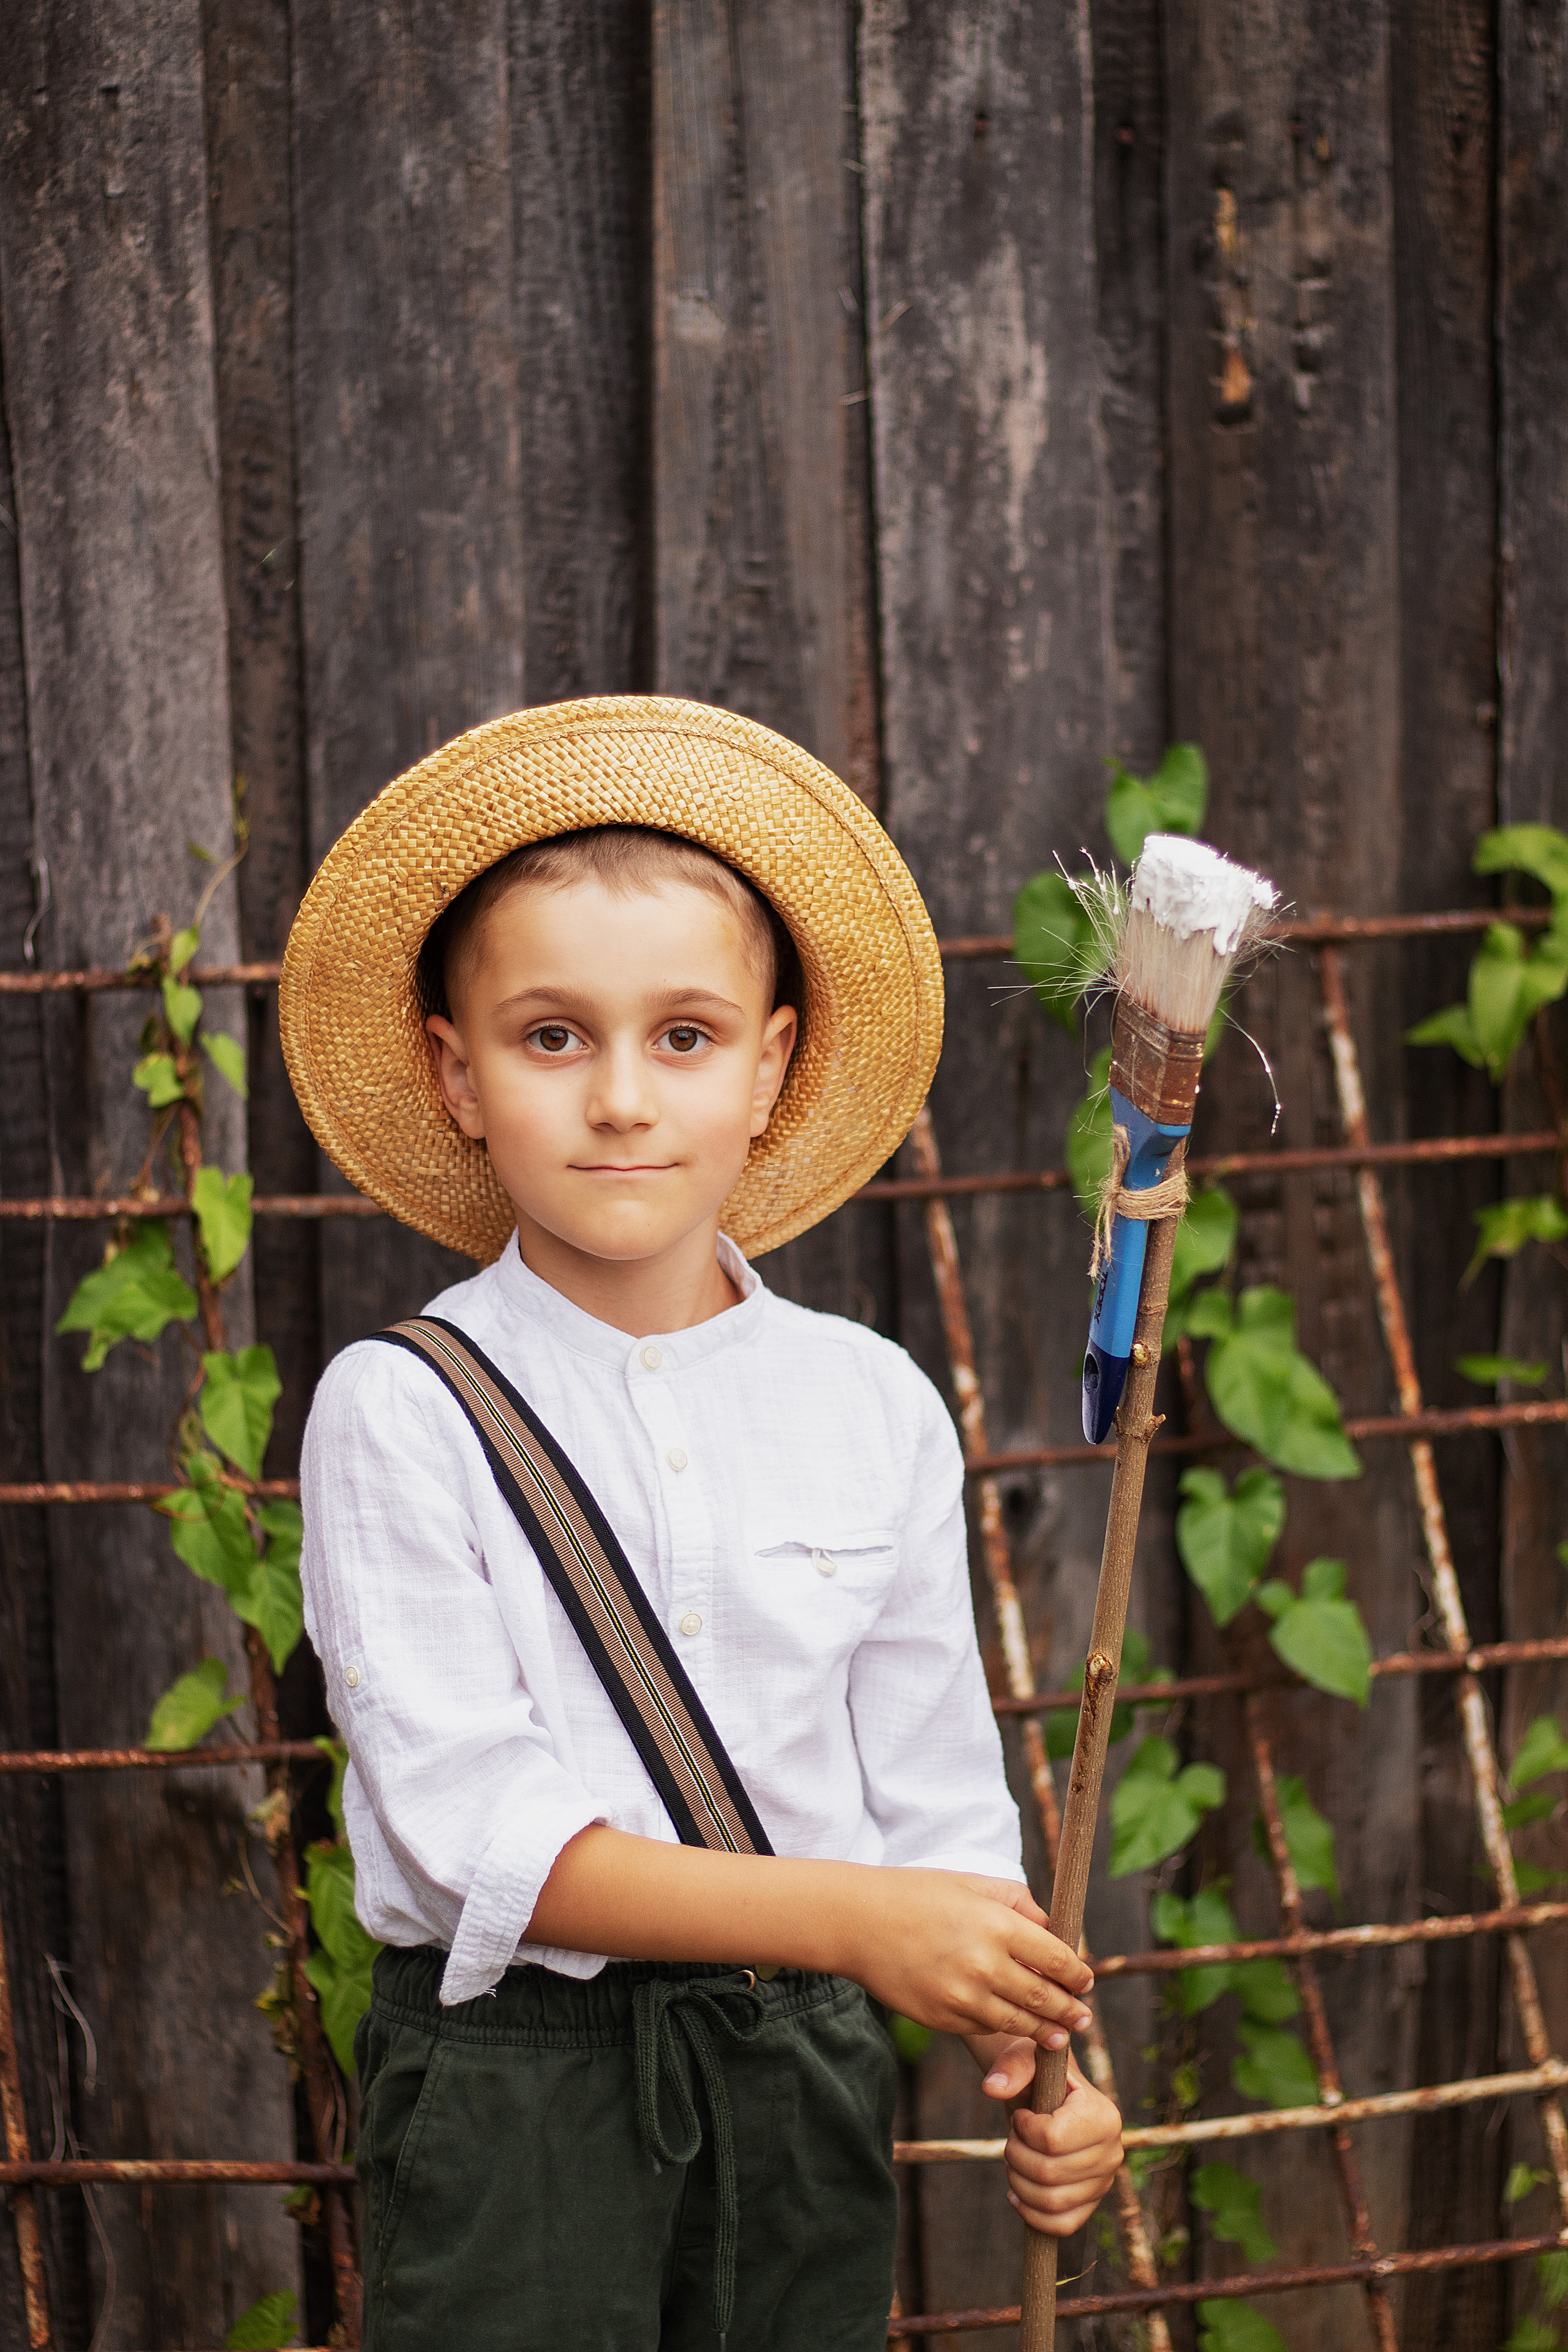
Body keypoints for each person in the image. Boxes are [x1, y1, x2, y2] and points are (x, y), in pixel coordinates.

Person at [283, 698, 1123, 2352]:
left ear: (773, 1065)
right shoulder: (401, 1409)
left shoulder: (869, 1403)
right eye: (550, 1037)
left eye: (683, 1036)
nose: (619, 1099)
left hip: (800, 2089)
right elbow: (479, 1841)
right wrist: (867, 1924)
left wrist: (1046, 2070)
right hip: (519, 2095)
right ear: (456, 1074)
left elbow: (943, 1806)